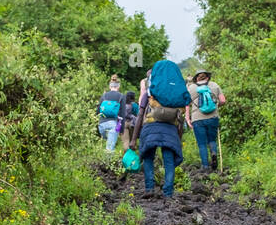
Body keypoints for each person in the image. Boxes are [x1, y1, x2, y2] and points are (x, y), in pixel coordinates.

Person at [134, 60, 191, 199]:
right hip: (170, 130)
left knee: (148, 157)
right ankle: (168, 192)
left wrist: (133, 139)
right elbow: (180, 120)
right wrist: (178, 139)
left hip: (150, 127)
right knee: (169, 160)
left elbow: (140, 114)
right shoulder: (173, 95)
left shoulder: (150, 92)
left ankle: (149, 188)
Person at [184, 70, 225, 170]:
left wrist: (187, 118)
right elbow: (223, 100)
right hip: (213, 118)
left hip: (197, 119)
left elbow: (186, 104)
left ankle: (205, 166)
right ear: (207, 77)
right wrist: (216, 106)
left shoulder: (191, 88)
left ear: (196, 78)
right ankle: (214, 154)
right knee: (212, 140)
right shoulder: (214, 85)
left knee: (202, 143)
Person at [96, 78, 125, 153]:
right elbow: (122, 114)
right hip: (113, 125)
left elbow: (98, 111)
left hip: (101, 125)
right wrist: (121, 130)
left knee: (103, 147)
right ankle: (108, 163)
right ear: (118, 87)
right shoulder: (121, 96)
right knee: (110, 150)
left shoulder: (104, 95)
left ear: (110, 86)